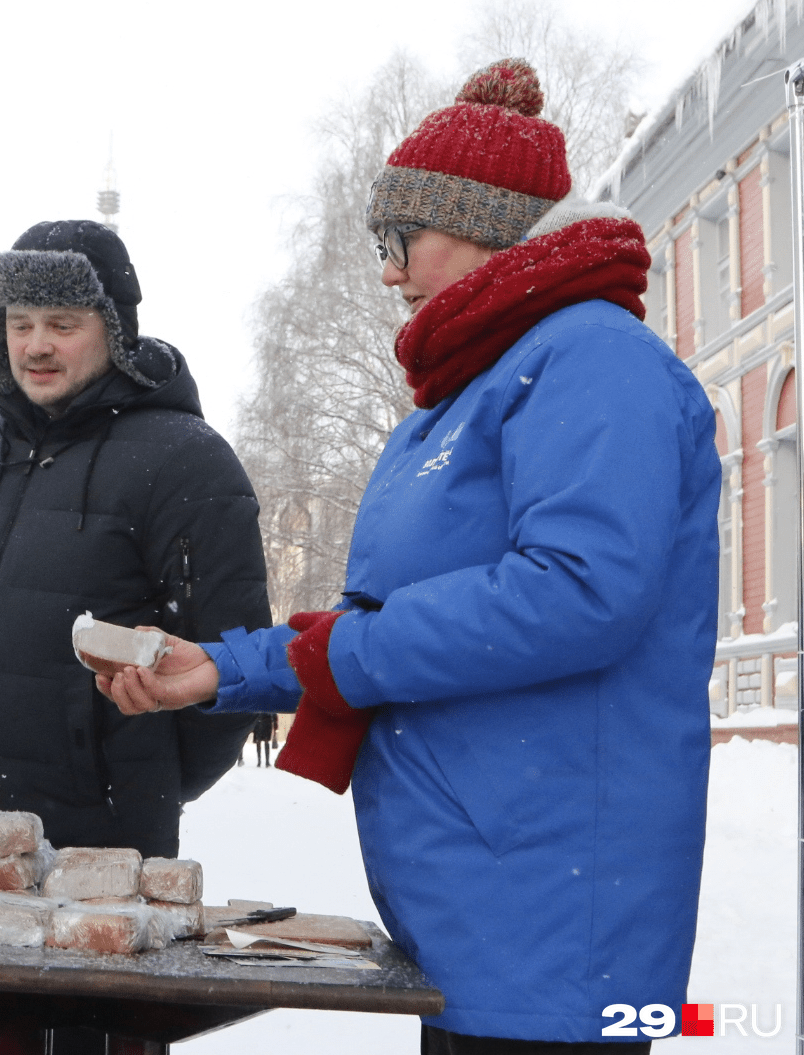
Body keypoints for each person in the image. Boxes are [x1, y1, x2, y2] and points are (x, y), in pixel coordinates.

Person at [101, 60, 718, 1053]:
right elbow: (384, 615)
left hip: (555, 920)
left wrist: (328, 659)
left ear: (484, 227)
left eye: (399, 241)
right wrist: (223, 664)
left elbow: (577, 591)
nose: (386, 271)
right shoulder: (458, 400)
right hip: (477, 903)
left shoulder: (593, 360)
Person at [0, 220, 269, 1055]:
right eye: (18, 320)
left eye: (61, 324)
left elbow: (232, 662)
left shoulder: (185, 460)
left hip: (101, 857)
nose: (35, 345)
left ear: (112, 331)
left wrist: (132, 781)